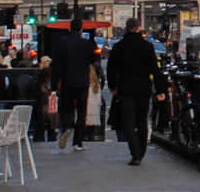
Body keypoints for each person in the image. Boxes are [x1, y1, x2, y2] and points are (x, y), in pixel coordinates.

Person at [106, 18, 160, 165]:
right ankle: (141, 152)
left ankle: (135, 153)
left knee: (128, 122)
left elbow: (111, 69)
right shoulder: (147, 46)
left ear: (126, 28)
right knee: (142, 121)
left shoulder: (119, 47)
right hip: (143, 88)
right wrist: (160, 90)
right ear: (139, 28)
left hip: (125, 88)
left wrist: (112, 86)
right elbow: (155, 69)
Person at [50, 18, 95, 151]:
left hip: (67, 81)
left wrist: (54, 85)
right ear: (81, 28)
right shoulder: (86, 43)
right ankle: (78, 142)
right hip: (82, 81)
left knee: (66, 109)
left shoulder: (62, 43)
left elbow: (56, 66)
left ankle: (67, 127)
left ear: (69, 28)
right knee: (82, 112)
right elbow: (93, 58)